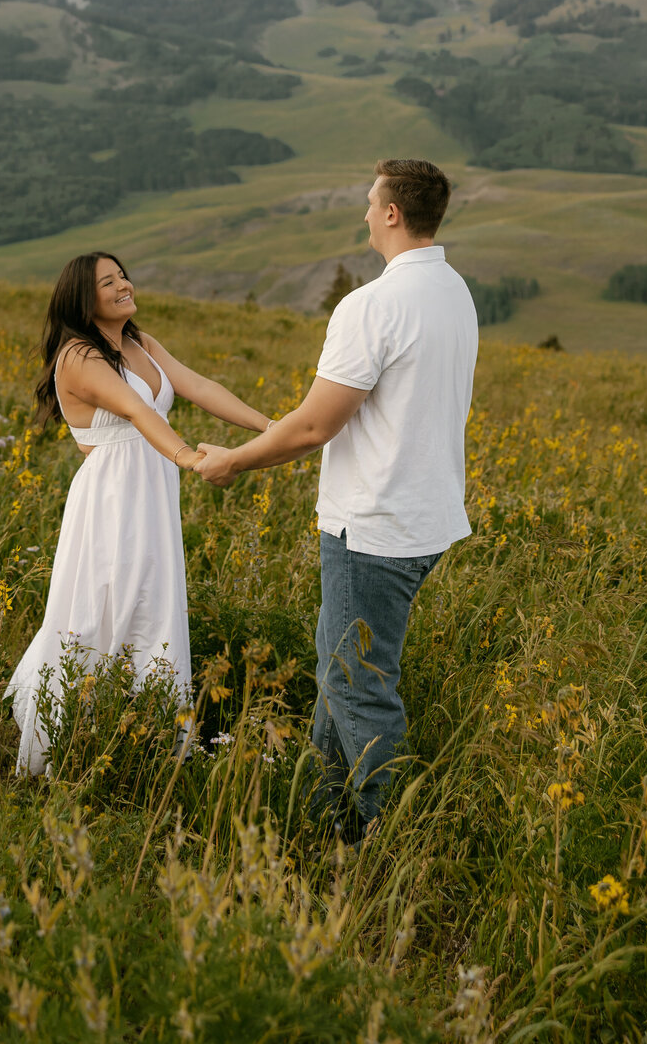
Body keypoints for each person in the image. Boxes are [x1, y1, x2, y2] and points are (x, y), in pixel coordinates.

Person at [194, 158, 477, 835]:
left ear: (390, 213)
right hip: (425, 518)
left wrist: (234, 460)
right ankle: (327, 820)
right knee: (340, 670)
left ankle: (399, 839)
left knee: (357, 685)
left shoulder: (373, 305)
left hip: (373, 526)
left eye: (368, 200)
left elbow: (318, 424)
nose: (362, 211)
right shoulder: (453, 290)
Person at [6, 250, 270, 774]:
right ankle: (68, 737)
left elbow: (200, 387)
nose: (123, 284)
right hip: (111, 498)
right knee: (102, 607)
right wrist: (190, 459)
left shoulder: (140, 344)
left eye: (122, 275)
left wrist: (274, 429)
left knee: (152, 601)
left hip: (149, 493)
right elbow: (136, 410)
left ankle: (145, 733)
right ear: (85, 299)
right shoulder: (78, 357)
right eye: (108, 282)